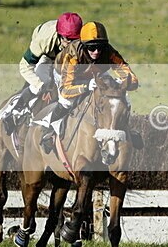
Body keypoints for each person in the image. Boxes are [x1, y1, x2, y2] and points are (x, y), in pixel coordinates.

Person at [39, 21, 139, 153]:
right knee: (67, 102)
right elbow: (65, 90)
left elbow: (131, 77)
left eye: (100, 47)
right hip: (66, 75)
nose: (96, 52)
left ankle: (127, 130)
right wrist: (86, 87)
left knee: (120, 97)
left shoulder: (109, 52)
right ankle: (48, 132)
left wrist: (123, 83)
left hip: (95, 72)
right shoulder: (72, 54)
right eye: (92, 48)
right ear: (84, 45)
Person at [0, 12, 83, 133]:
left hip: (66, 60)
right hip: (46, 55)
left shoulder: (83, 41)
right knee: (43, 82)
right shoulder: (44, 40)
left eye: (75, 40)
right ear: (60, 35)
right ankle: (12, 111)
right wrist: (40, 85)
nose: (71, 44)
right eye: (68, 40)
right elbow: (24, 66)